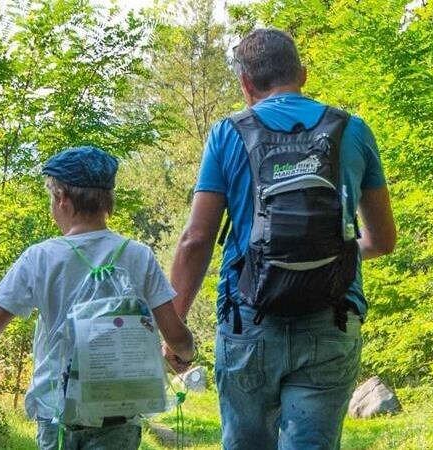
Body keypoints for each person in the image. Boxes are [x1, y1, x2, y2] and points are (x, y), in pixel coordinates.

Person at [166, 28, 398, 450]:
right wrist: (332, 254)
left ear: (245, 84)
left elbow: (195, 240)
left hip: (248, 323)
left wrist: (173, 327)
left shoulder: (226, 134)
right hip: (331, 320)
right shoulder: (354, 130)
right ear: (303, 74)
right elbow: (382, 240)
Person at [0, 146, 199, 450]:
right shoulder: (138, 255)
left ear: (62, 198)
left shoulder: (40, 258)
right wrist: (185, 354)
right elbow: (173, 332)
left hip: (57, 408)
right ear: (108, 200)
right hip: (119, 408)